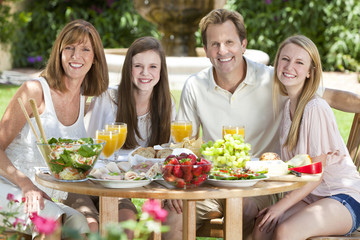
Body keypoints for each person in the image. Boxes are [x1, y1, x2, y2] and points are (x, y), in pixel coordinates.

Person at [163, 8, 360, 240]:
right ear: (205, 50)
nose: (222, 50)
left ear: (243, 44)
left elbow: (331, 97)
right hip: (213, 182)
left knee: (249, 212)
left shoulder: (277, 82)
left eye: (229, 41)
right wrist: (176, 183)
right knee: (171, 215)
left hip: (261, 187)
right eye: (214, 44)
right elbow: (183, 144)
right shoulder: (196, 86)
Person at [0, 19, 109, 239]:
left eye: (85, 49)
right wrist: (26, 184)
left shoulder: (83, 100)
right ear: (59, 53)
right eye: (69, 47)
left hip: (44, 197)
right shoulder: (34, 91)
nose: (75, 56)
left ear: (95, 58)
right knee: (51, 220)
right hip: (11, 187)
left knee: (82, 226)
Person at [252, 35, 360, 240]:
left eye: (299, 62)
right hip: (311, 197)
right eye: (285, 59)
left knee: (286, 231)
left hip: (342, 198)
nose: (289, 66)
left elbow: (316, 174)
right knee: (262, 226)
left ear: (310, 72)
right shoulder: (287, 108)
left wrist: (279, 207)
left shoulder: (315, 107)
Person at [72, 36, 176, 238]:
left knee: (127, 224)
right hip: (90, 183)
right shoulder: (108, 99)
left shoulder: (165, 105)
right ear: (128, 69)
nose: (145, 73)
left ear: (161, 71)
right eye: (138, 66)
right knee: (91, 226)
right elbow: (88, 147)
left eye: (153, 66)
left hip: (123, 189)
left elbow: (167, 155)